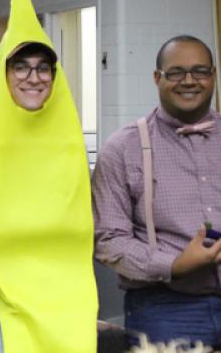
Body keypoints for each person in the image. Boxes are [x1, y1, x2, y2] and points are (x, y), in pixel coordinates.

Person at [0, 0, 98, 352]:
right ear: (3, 73)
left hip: (69, 309)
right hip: (2, 313)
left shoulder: (70, 144)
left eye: (43, 67)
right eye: (20, 66)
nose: (34, 77)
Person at [92, 35, 221, 347]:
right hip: (165, 307)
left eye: (200, 71)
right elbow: (108, 240)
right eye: (176, 72)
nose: (189, 81)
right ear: (156, 78)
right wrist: (174, 265)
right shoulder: (123, 148)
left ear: (213, 76)